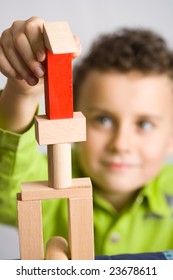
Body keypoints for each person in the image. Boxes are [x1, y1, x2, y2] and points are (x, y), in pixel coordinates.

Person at [0, 17, 173, 258]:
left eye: (144, 124)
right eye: (103, 120)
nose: (121, 144)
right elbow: (8, 181)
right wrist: (22, 93)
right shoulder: (52, 178)